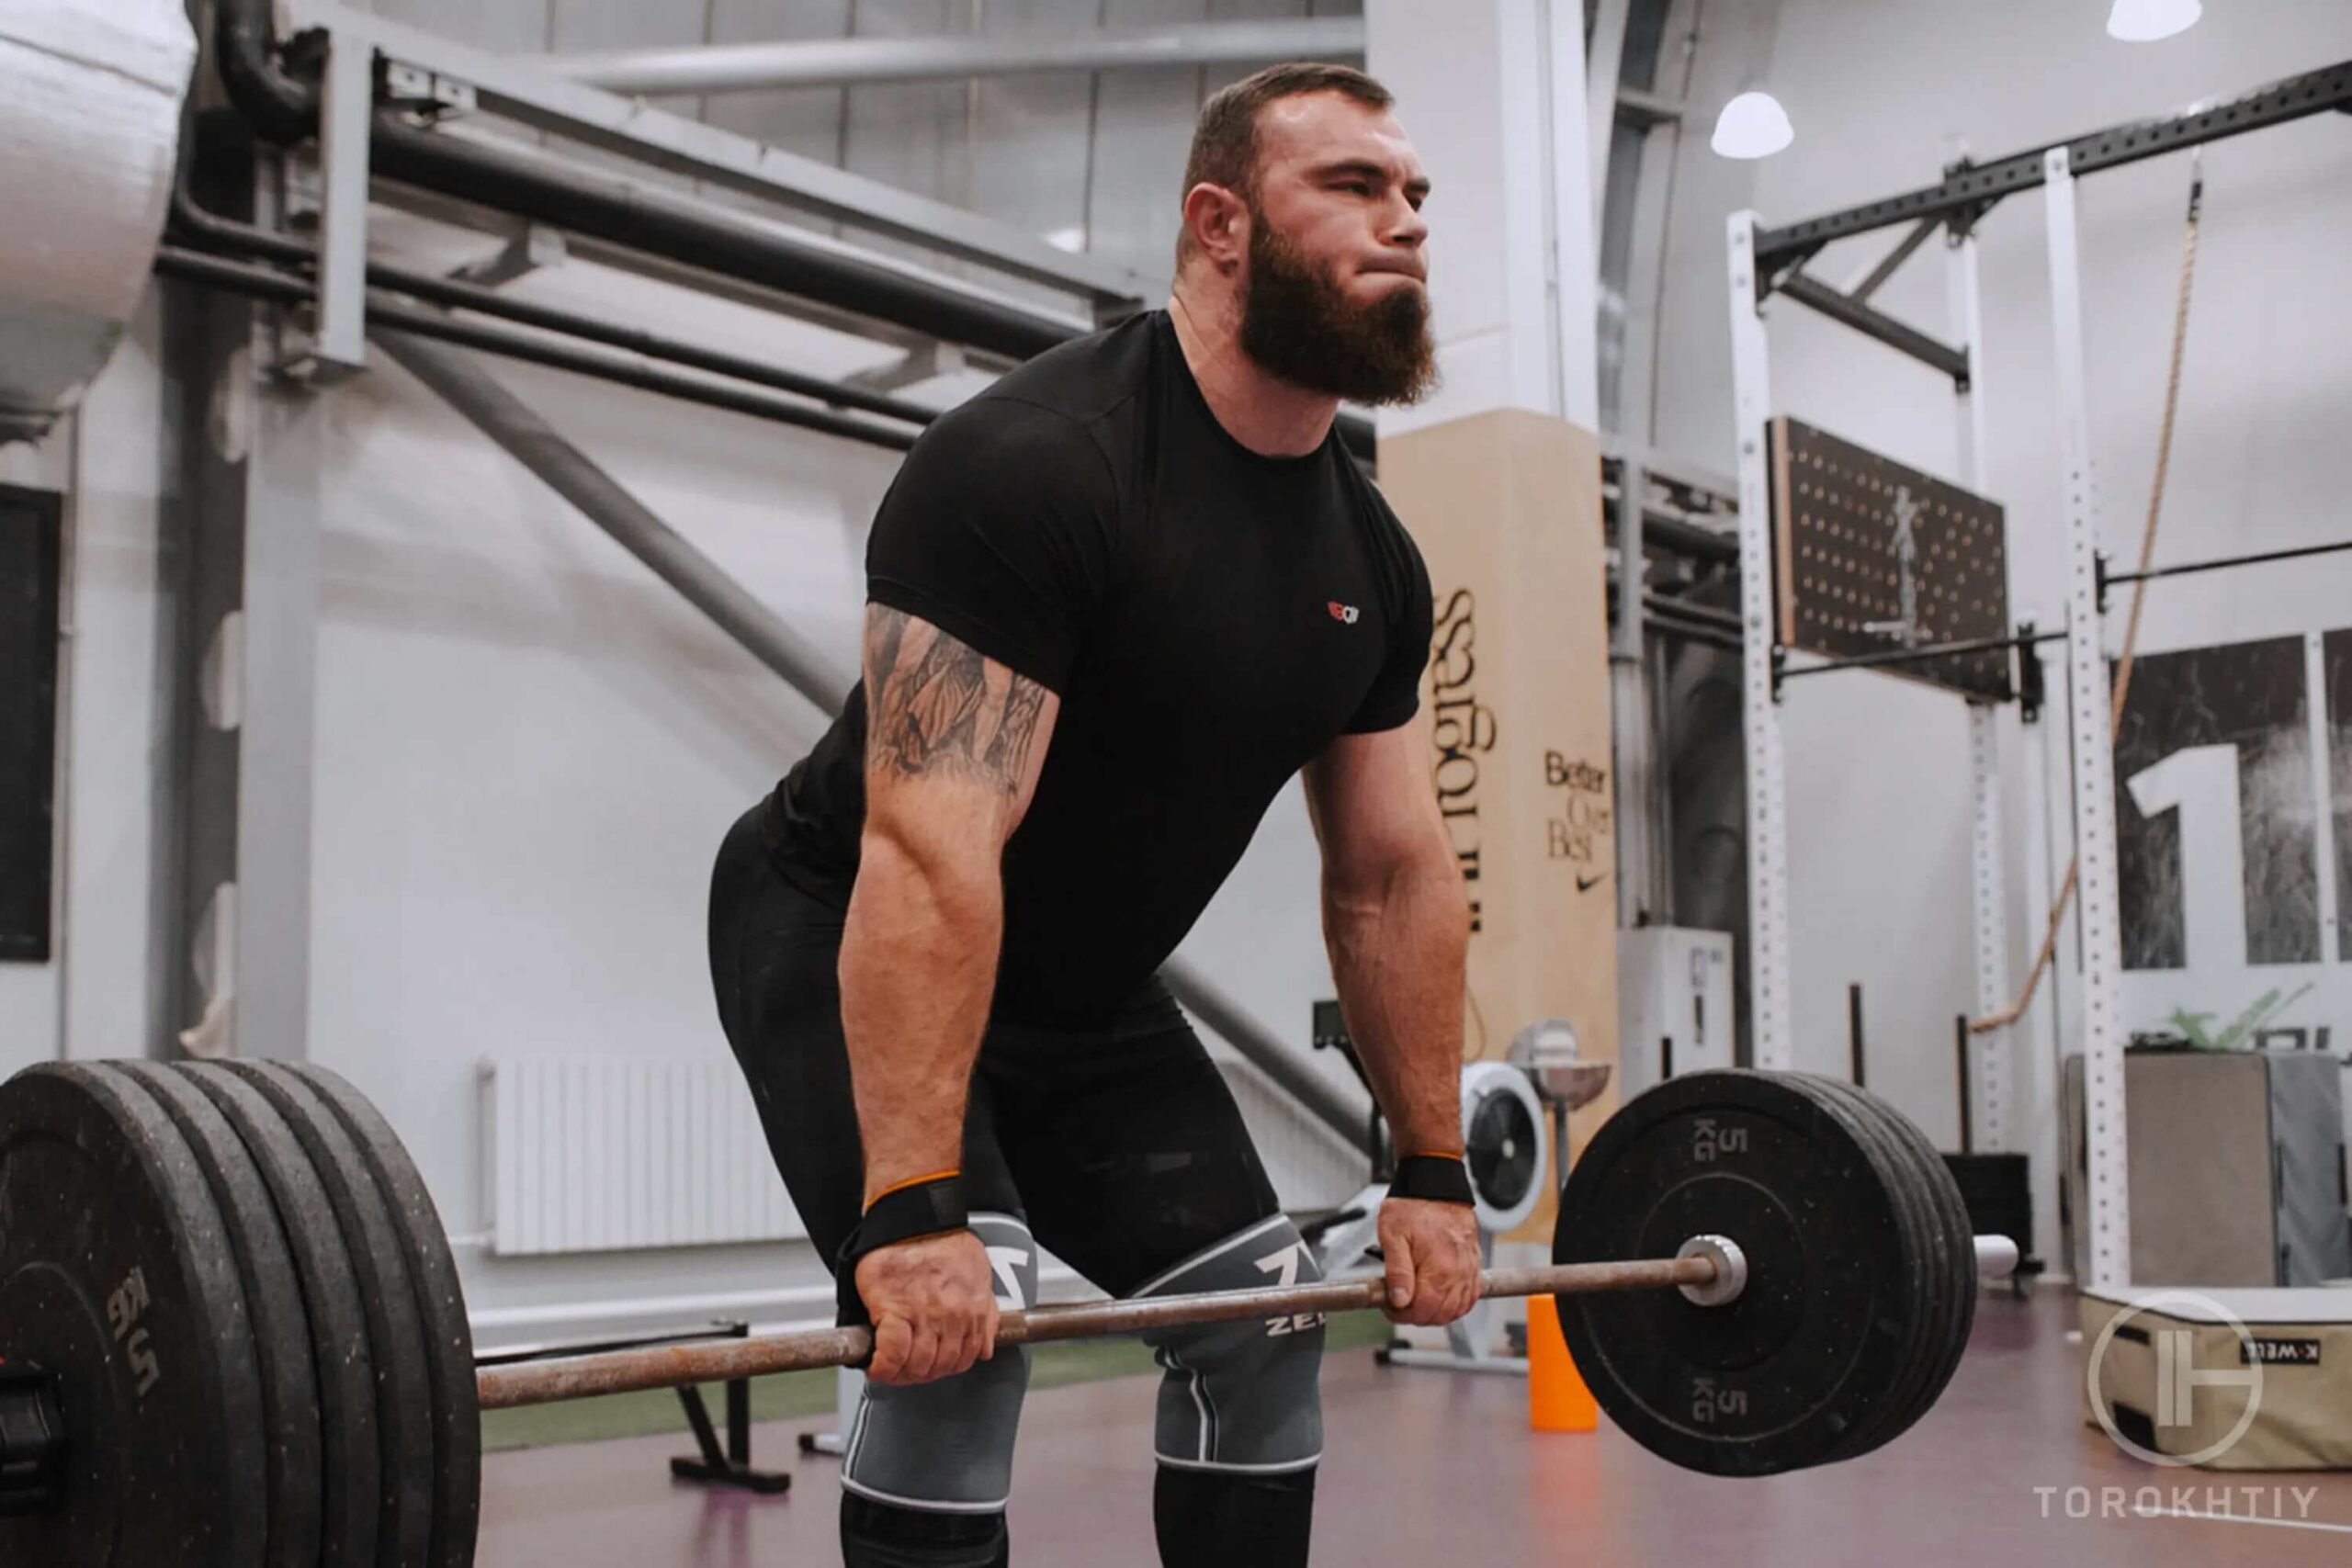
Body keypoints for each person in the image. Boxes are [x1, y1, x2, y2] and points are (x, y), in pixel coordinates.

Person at [707, 61, 1476, 1568]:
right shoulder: (1035, 469)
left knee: (1260, 1335)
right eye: (1354, 187)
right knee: (961, 1344)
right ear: (1221, 222)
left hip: (1084, 1003)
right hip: (841, 925)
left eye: (1416, 196)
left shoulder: (1372, 563)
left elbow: (1388, 875)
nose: (1407, 225)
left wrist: (1432, 1168)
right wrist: (915, 1208)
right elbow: (930, 849)